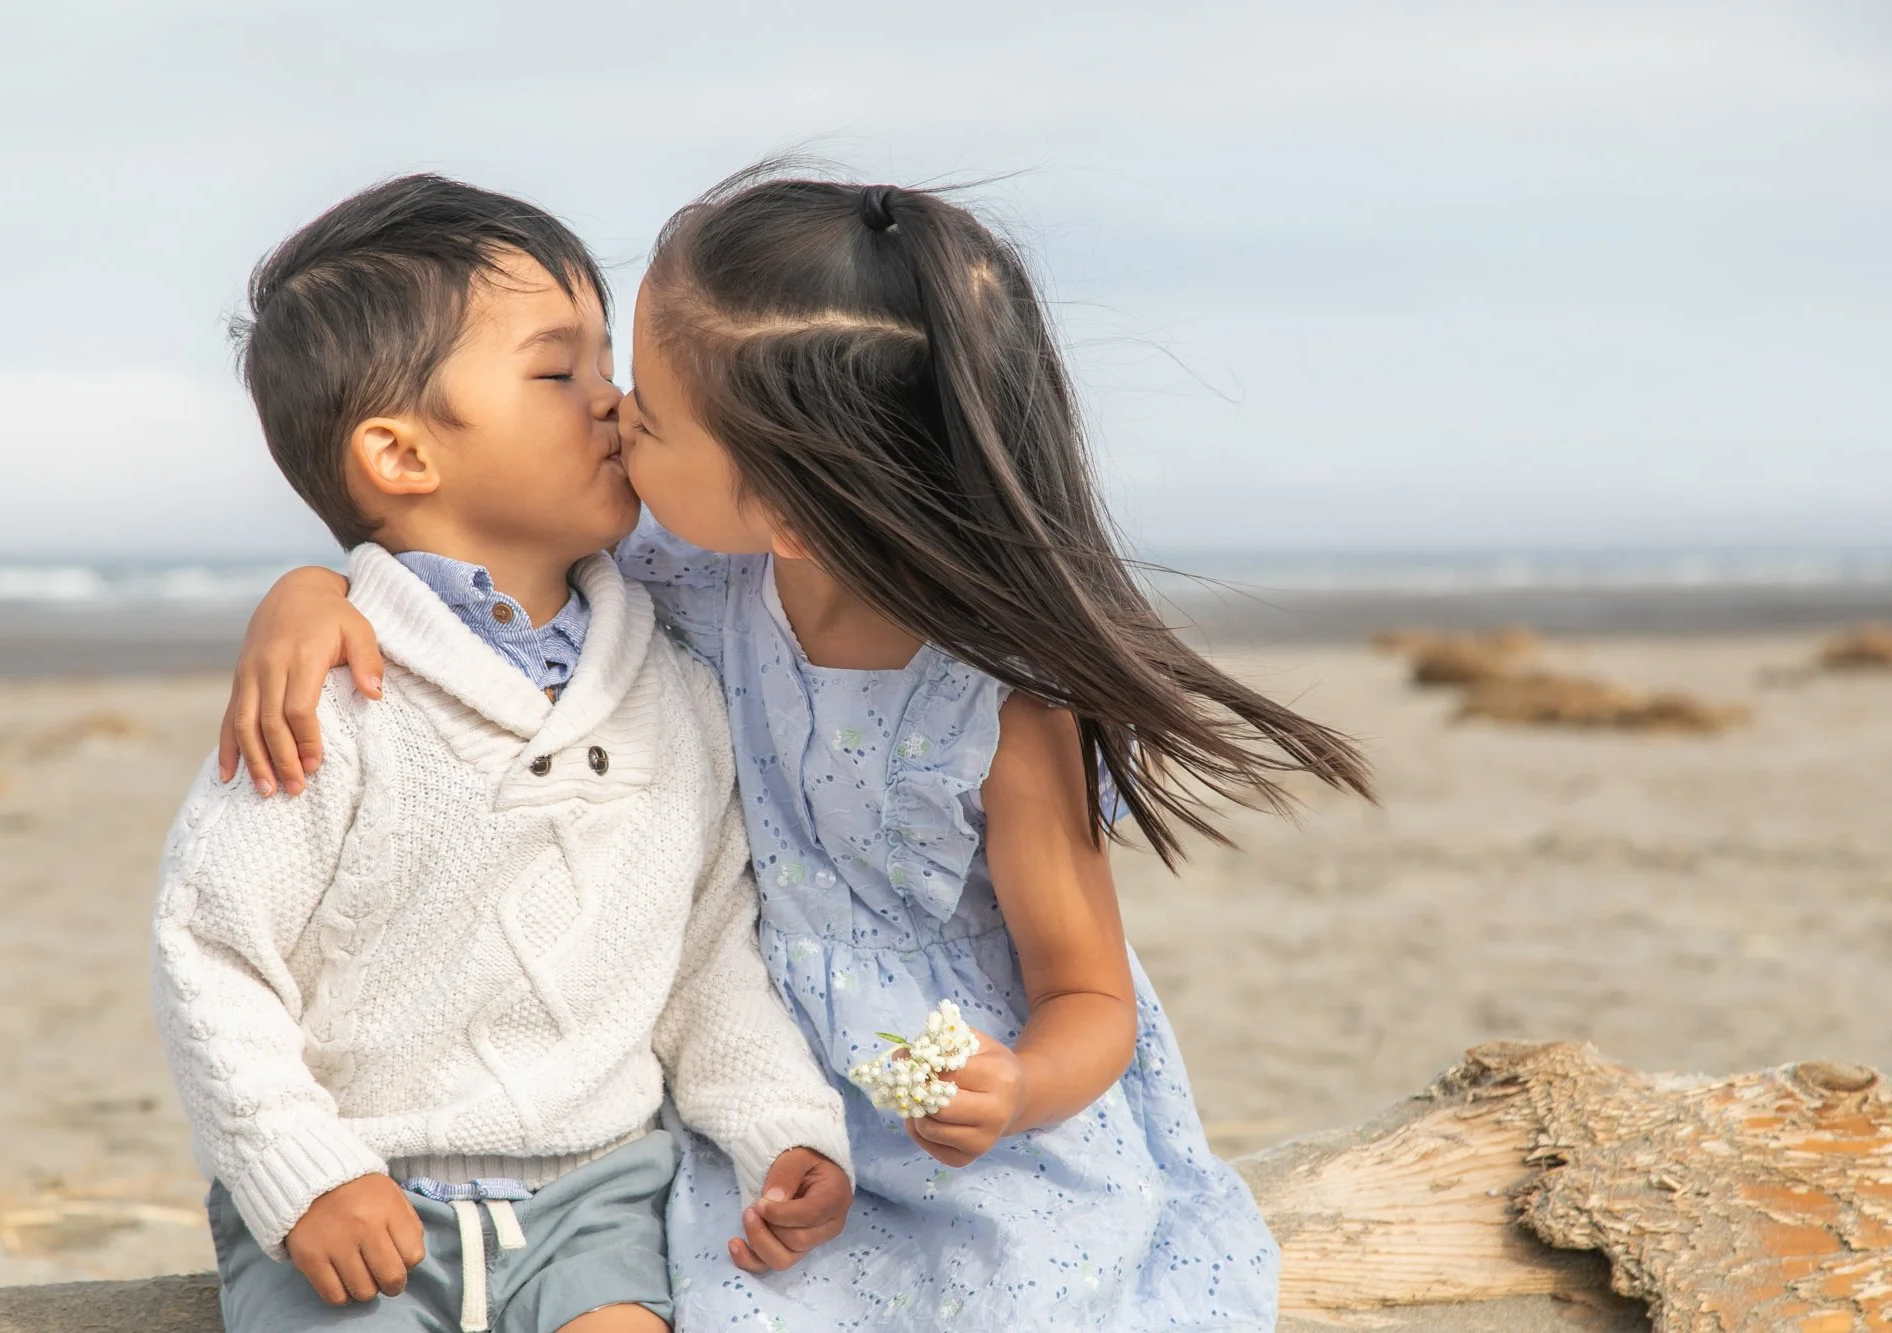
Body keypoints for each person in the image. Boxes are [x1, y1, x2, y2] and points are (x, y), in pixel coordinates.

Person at [220, 168, 1372, 1330]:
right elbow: (468, 560)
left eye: (649, 417)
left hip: (978, 1134)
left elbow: (1087, 994)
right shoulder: (678, 581)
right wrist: (316, 590)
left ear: (787, 512)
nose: (612, 414)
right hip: (755, 1100)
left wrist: (1017, 1086)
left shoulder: (1004, 707)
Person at [152, 174, 853, 1333]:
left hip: (597, 1192)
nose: (613, 400)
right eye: (557, 372)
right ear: (400, 454)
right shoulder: (328, 687)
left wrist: (782, 1128)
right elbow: (212, 946)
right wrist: (302, 1168)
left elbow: (707, 952)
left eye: (603, 363)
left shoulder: (671, 687)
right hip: (360, 1192)